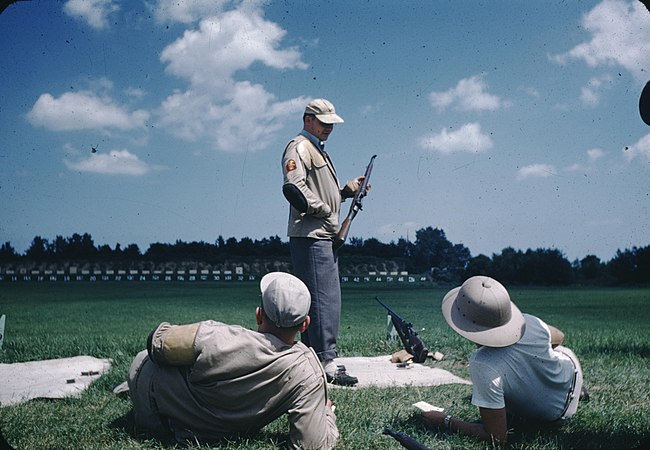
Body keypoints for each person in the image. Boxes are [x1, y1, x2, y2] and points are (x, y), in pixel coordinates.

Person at [127, 272, 339, 449]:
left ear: (259, 315)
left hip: (153, 408)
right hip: (208, 430)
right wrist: (326, 413)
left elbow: (157, 344)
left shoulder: (217, 336)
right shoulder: (307, 372)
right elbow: (312, 445)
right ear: (305, 324)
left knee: (155, 361)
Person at [422, 275, 586, 445]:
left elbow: (497, 437)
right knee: (552, 351)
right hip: (572, 375)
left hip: (552, 417)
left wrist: (445, 421)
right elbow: (559, 337)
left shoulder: (483, 363)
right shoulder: (529, 322)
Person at [281, 98, 367, 386]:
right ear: (308, 120)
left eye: (331, 123)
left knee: (323, 299)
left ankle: (316, 358)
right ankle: (325, 364)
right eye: (323, 122)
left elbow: (316, 191)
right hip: (313, 234)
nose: (329, 127)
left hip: (320, 233)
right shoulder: (300, 147)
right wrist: (325, 210)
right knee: (323, 301)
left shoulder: (316, 148)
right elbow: (295, 189)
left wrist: (345, 191)